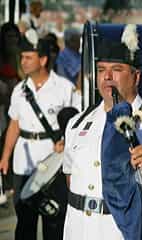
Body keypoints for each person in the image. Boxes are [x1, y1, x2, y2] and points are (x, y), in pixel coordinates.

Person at [62, 24, 142, 240]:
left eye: (116, 70)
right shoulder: (78, 122)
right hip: (78, 229)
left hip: (122, 231)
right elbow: (71, 179)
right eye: (101, 70)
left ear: (136, 77)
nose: (107, 77)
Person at [0, 29, 80, 240]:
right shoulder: (19, 90)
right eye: (22, 57)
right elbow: (14, 125)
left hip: (53, 164)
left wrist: (65, 141)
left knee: (54, 222)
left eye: (28, 57)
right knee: (24, 222)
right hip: (23, 165)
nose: (23, 62)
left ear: (43, 59)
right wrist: (5, 157)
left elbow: (78, 125)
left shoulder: (64, 88)